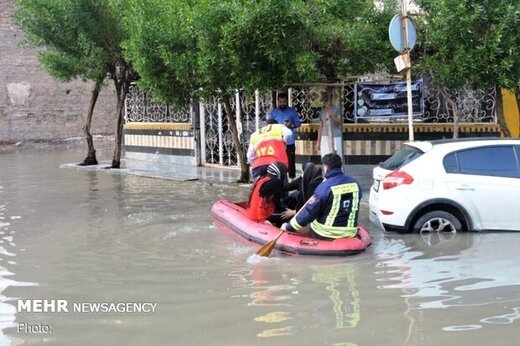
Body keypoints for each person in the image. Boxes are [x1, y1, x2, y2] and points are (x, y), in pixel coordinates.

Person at [281, 153, 361, 239]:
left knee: (304, 225)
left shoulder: (324, 187)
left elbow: (309, 212)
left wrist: (288, 226)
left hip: (326, 233)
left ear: (325, 167)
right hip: (351, 231)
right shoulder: (355, 183)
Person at [268, 92, 301, 180]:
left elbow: (298, 124)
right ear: (278, 102)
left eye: (284, 102)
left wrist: (291, 124)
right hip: (277, 140)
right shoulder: (274, 112)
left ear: (287, 101)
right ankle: (278, 178)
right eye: (280, 102)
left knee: (290, 160)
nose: (282, 103)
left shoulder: (292, 111)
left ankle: (291, 179)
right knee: (277, 160)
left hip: (289, 141)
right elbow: (269, 124)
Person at [246, 162, 287, 227]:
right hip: (260, 216)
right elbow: (261, 203)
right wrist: (263, 220)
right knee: (287, 216)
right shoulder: (272, 184)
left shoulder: (262, 179)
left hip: (253, 213)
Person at [314, 87, 343, 159]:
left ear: (332, 98)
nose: (328, 99)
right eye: (326, 97)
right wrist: (318, 142)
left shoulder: (337, 108)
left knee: (337, 157)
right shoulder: (322, 110)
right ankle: (326, 170)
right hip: (324, 137)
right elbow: (321, 127)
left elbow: (340, 122)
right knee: (325, 157)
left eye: (330, 97)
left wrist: (332, 116)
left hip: (336, 136)